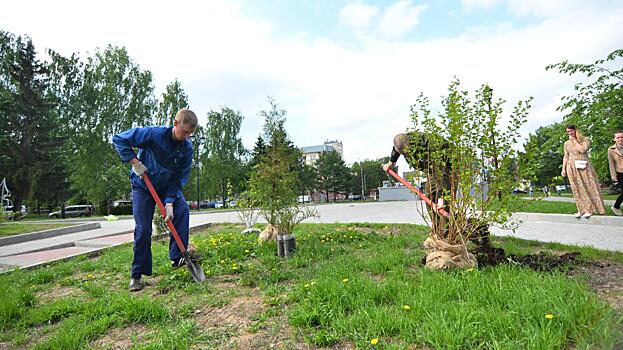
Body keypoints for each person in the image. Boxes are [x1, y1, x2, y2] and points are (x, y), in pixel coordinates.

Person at [113, 109, 198, 291]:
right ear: (175, 123)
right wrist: (135, 163)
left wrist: (169, 202)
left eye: (189, 134)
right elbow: (119, 139)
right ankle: (137, 274)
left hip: (165, 187)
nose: (185, 137)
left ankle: (178, 257)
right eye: (183, 132)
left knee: (182, 209)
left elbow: (178, 177)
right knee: (143, 229)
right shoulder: (153, 134)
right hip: (143, 185)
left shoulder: (186, 149)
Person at [382, 132, 453, 235]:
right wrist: (391, 162)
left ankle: (447, 233)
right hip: (433, 170)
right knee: (430, 197)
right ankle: (438, 231)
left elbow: (441, 174)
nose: (408, 155)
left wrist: (441, 198)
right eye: (404, 154)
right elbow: (396, 149)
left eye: (408, 152)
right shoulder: (401, 142)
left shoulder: (428, 149)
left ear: (411, 144)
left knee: (442, 202)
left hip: (447, 166)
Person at [561, 124, 605, 218]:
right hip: (571, 167)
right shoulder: (566, 143)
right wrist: (563, 169)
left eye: (571, 131)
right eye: (568, 132)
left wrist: (574, 141)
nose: (570, 133)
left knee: (588, 186)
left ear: (576, 130)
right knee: (576, 188)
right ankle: (581, 209)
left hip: (583, 165)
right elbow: (566, 156)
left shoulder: (585, 140)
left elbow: (582, 149)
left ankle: (590, 209)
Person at [607, 130, 623, 216]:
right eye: (618, 137)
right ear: (614, 139)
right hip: (620, 173)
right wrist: (614, 177)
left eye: (622, 137)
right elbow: (611, 164)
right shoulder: (611, 150)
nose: (620, 139)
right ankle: (616, 207)